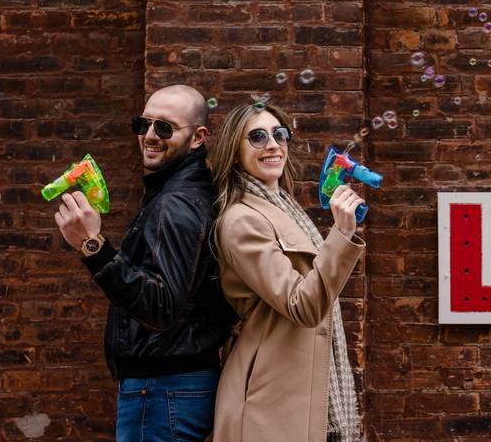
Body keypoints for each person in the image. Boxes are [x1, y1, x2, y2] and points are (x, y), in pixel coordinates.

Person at [53, 84, 236, 442]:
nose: (150, 136)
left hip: (162, 389)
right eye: (144, 124)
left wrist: (93, 245)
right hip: (174, 387)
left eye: (165, 127)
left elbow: (161, 306)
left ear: (198, 137)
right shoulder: (183, 192)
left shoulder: (176, 203)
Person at [208, 100, 365, 442]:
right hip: (271, 399)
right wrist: (341, 235)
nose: (272, 145)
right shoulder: (241, 220)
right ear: (235, 152)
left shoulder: (286, 209)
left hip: (302, 388)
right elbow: (303, 305)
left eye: (279, 134)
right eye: (257, 137)